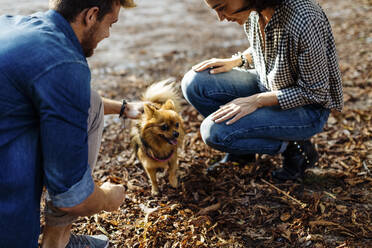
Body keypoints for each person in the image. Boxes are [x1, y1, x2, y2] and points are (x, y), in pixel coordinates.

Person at [0, 0, 140, 247]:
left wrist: (122, 108)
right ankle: (56, 242)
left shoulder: (12, 26)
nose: (108, 34)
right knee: (72, 184)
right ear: (91, 15)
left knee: (92, 102)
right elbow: (73, 198)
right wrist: (109, 196)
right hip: (8, 230)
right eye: (111, 23)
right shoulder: (67, 64)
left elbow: (68, 97)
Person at [182, 0, 343, 181]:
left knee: (215, 133)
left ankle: (295, 149)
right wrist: (238, 60)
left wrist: (256, 100)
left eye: (222, 7)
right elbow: (273, 45)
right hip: (266, 86)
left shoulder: (304, 18)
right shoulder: (254, 9)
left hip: (306, 110)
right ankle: (243, 153)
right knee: (195, 82)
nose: (221, 18)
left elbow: (316, 92)